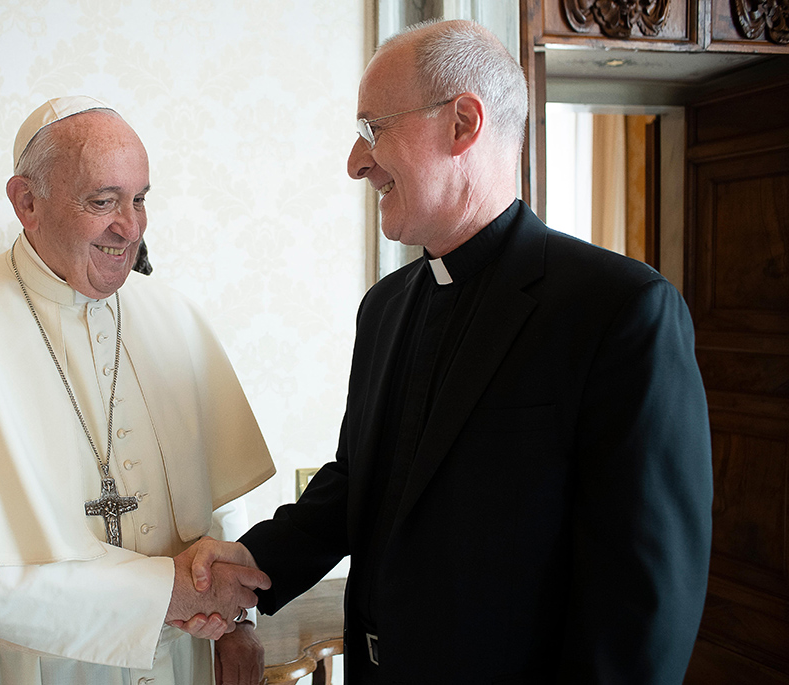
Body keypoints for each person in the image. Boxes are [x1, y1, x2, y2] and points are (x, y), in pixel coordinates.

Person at [181, 20, 713, 683]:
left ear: (463, 124)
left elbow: (645, 601)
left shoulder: (620, 310)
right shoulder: (384, 307)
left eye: (372, 129)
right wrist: (245, 565)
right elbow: (356, 488)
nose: (355, 161)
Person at [0, 96, 276, 685]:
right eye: (103, 202)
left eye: (140, 199)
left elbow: (222, 505)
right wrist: (164, 594)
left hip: (178, 661)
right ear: (26, 203)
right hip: (21, 668)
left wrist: (239, 623)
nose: (131, 226)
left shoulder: (175, 319)